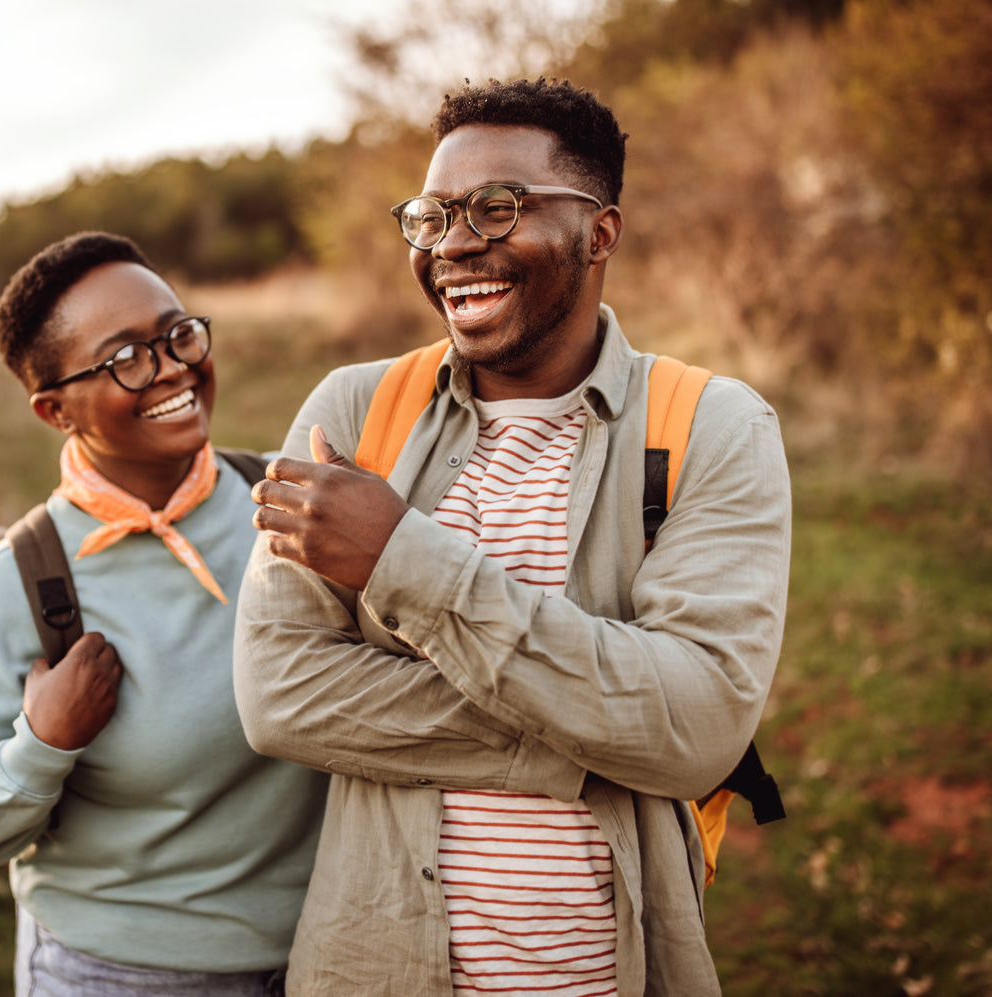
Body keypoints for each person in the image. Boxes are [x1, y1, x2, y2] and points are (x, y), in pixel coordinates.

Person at [234, 78, 791, 995]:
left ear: (599, 232)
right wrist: (600, 738)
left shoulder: (712, 426)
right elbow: (280, 693)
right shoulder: (354, 411)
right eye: (433, 215)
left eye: (497, 209)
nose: (454, 244)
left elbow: (696, 726)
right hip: (375, 967)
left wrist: (399, 559)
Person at [0, 231, 328, 996]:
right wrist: (42, 743)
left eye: (178, 333)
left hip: (328, 956)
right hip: (118, 975)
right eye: (127, 357)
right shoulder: (25, 581)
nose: (174, 368)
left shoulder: (292, 504)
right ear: (55, 409)